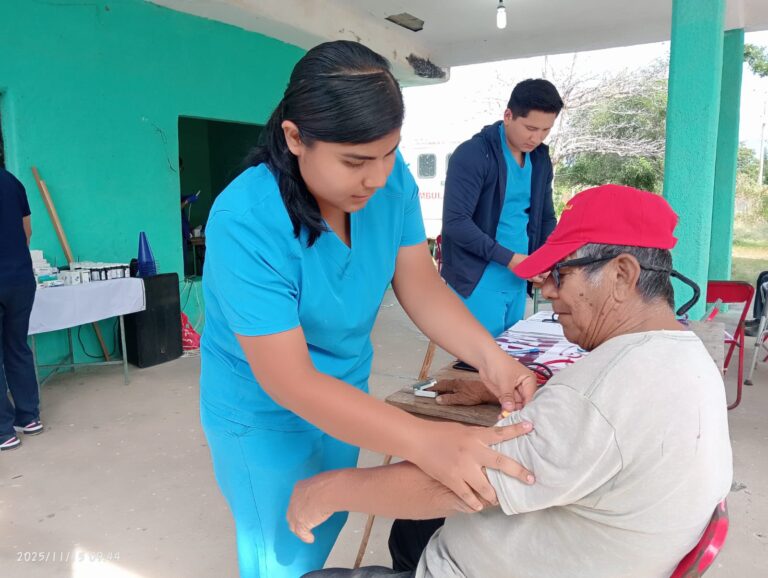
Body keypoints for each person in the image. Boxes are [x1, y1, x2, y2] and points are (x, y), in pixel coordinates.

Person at [200, 40, 539, 578]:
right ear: (295, 138)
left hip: (348, 394)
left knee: (323, 525)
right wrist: (424, 441)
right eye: (355, 161)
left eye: (389, 153)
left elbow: (420, 284)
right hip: (265, 412)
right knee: (282, 555)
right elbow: (290, 380)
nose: (378, 178)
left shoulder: (389, 177)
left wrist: (491, 359)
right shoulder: (245, 220)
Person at [289, 185, 733, 578]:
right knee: (410, 530)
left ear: (622, 275)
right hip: (594, 550)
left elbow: (463, 482)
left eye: (561, 274)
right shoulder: (684, 357)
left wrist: (327, 491)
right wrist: (502, 390)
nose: (549, 291)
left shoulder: (596, 397)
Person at [440, 79, 563, 338]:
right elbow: (456, 223)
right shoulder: (473, 154)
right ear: (508, 116)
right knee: (479, 358)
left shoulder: (540, 158)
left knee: (508, 352)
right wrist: (510, 259)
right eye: (530, 128)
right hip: (478, 278)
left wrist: (543, 259)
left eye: (545, 130)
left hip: (518, 278)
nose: (536, 138)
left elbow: (546, 217)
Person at [0, 168, 43, 451]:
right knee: (17, 346)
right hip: (20, 279)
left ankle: (3, 432)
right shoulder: (11, 182)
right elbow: (27, 231)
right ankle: (29, 417)